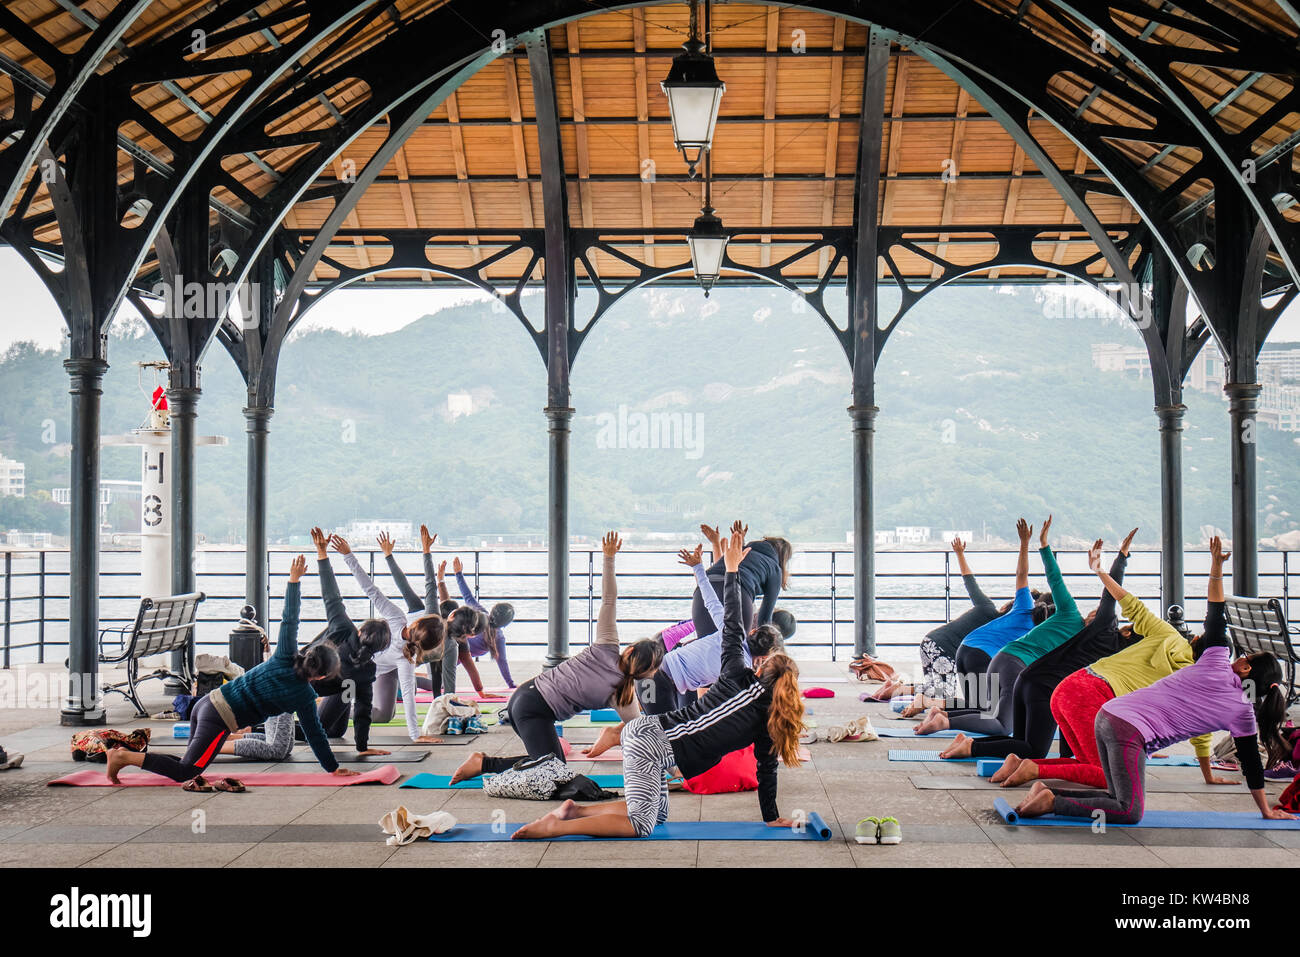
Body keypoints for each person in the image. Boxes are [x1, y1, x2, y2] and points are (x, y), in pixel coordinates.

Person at [511, 529, 805, 839]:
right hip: (653, 742)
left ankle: (575, 810)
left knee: (658, 814)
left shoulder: (736, 670)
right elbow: (767, 770)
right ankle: (556, 826)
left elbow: (731, 617)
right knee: (642, 824)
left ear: (762, 669)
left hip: (649, 733)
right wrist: (771, 818)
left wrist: (729, 569)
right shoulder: (766, 719)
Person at [1015, 537, 1295, 825]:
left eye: (1244, 656)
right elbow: (1251, 766)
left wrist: (1216, 568)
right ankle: (1052, 801)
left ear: (1246, 667)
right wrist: (1265, 810)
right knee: (1128, 810)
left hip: (1108, 714)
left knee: (1115, 794)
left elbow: (1215, 613)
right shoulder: (1243, 714)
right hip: (1127, 729)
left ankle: (1046, 789)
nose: (1237, 656)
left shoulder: (1214, 659)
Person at [992, 536, 1230, 788]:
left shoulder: (1166, 634)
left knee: (1089, 762)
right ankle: (1031, 767)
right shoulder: (1191, 681)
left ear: (1197, 640)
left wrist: (1103, 568)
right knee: (1111, 777)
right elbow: (1200, 733)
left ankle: (1020, 762)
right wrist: (1208, 776)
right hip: (1087, 696)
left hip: (1068, 687)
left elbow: (1128, 602)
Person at [107, 556, 357, 787]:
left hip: (206, 703)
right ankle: (122, 757)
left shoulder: (285, 654)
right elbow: (315, 734)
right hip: (217, 718)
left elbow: (290, 619)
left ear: (310, 653)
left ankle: (123, 759)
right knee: (188, 772)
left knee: (191, 762)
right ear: (322, 676)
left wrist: (294, 580)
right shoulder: (303, 695)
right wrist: (333, 769)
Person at [450, 531, 663, 783]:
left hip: (526, 697)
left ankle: (502, 761)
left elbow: (608, 601)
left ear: (629, 650)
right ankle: (483, 763)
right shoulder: (624, 696)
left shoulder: (607, 648)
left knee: (550, 767)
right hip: (532, 710)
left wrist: (608, 558)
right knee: (553, 771)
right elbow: (644, 733)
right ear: (647, 674)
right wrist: (674, 770)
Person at [942, 529, 1136, 761]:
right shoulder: (1100, 645)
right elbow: (1093, 590)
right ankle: (968, 743)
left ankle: (970, 742)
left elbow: (1102, 592)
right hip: (1027, 675)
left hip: (1019, 671)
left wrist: (1045, 546)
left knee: (1017, 737)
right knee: (1023, 741)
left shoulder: (1081, 622)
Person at [910, 518, 1047, 725]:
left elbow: (971, 582)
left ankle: (930, 706)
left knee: (974, 703)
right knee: (980, 706)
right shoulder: (1027, 619)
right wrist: (1025, 544)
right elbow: (1021, 574)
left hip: (958, 650)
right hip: (959, 651)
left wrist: (960, 554)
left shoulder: (998, 609)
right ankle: (930, 703)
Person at [644, 543, 790, 716]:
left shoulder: (728, 632)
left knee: (651, 724)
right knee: (662, 733)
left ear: (751, 632)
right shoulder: (741, 670)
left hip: (649, 672)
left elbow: (711, 600)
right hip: (659, 681)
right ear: (766, 657)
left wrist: (699, 567)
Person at [329, 534, 443, 743]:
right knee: (334, 718)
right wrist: (348, 556)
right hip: (352, 662)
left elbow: (409, 694)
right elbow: (371, 591)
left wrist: (416, 735)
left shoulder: (407, 657)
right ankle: (331, 699)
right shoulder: (395, 616)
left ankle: (342, 704)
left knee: (384, 715)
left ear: (415, 623)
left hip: (375, 672)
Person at [871, 536, 1001, 704]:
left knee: (935, 688)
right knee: (945, 695)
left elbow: (970, 582)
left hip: (929, 642)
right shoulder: (991, 615)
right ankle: (898, 689)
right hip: (942, 649)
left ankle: (896, 686)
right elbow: (970, 582)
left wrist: (960, 554)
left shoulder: (987, 607)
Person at [308, 527, 392, 755]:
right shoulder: (368, 669)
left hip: (308, 683)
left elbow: (331, 596)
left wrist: (322, 554)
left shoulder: (344, 628)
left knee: (334, 728)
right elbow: (363, 709)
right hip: (305, 685)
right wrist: (362, 747)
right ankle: (264, 725)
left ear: (361, 629)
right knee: (347, 691)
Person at [691, 520, 791, 636]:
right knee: (738, 647)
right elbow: (764, 621)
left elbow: (722, 571)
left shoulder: (742, 551)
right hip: (738, 592)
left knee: (705, 645)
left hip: (704, 589)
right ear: (783, 559)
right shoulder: (774, 568)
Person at [441, 555, 516, 692]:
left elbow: (467, 596)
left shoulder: (480, 614)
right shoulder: (498, 638)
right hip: (453, 655)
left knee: (435, 676)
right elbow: (502, 662)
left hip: (447, 648)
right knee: (438, 680)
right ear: (505, 624)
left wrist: (458, 574)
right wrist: (511, 685)